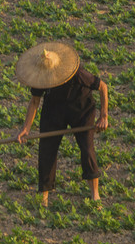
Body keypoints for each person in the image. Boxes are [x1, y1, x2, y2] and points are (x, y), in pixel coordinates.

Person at [15, 42, 108, 206]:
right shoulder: (40, 76)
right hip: (54, 109)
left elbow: (102, 87)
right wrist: (26, 128)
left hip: (81, 108)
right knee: (47, 149)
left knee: (87, 148)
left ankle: (95, 194)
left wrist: (104, 117)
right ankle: (43, 197)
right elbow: (35, 101)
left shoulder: (76, 72)